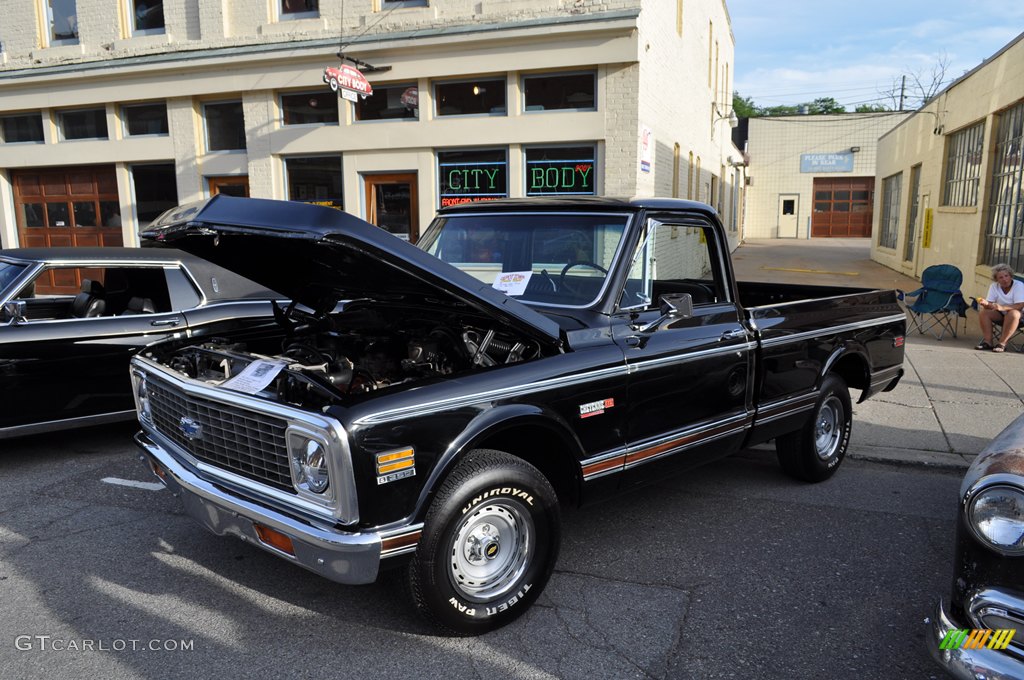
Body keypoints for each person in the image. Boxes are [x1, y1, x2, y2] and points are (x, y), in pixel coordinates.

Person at [976, 263, 1024, 352]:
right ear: (996, 279)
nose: (1005, 279)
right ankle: (988, 342)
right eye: (1001, 277)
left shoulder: (1018, 285)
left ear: (1011, 276)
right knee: (984, 312)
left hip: (1019, 316)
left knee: (1013, 313)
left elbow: (1020, 305)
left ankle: (1002, 343)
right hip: (1001, 314)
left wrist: (1002, 307)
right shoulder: (994, 286)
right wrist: (986, 304)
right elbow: (990, 304)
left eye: (1006, 276)